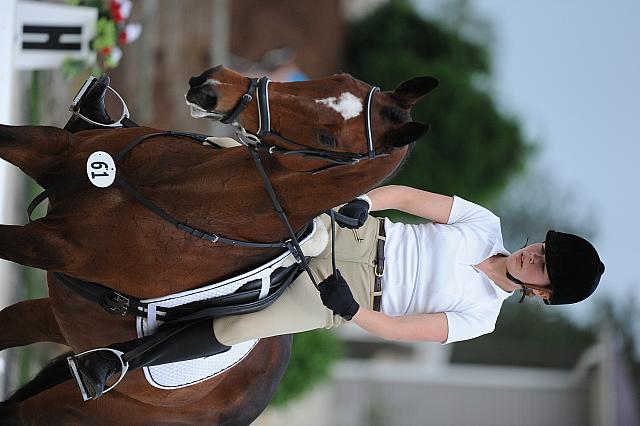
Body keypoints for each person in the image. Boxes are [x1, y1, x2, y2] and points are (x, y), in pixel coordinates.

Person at [62, 82, 604, 400]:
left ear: (544, 293)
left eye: (543, 267)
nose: (535, 255)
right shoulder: (484, 223)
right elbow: (411, 199)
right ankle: (119, 133)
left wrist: (350, 310)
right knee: (264, 174)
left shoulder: (481, 318)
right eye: (544, 248)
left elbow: (397, 328)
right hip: (353, 228)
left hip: (346, 294)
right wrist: (365, 200)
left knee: (239, 325)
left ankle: (118, 363)